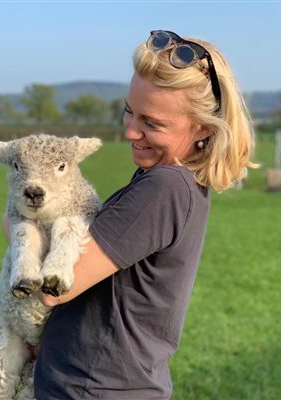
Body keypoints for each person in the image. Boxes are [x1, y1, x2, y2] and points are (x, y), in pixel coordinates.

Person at [29, 30, 257, 399]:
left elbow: (55, 285)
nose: (132, 131)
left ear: (201, 127)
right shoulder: (170, 181)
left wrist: (18, 220)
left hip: (94, 389)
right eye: (129, 111)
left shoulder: (164, 188)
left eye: (152, 123)